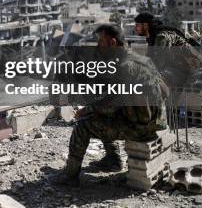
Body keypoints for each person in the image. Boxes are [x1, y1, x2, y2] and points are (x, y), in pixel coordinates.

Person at [53, 24, 167, 186]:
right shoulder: (140, 59)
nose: (98, 47)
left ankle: (70, 177)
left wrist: (85, 110)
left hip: (142, 127)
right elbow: (165, 91)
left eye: (100, 43)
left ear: (113, 43)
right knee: (103, 114)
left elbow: (110, 106)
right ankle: (112, 160)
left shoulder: (123, 67)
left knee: (83, 125)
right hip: (155, 121)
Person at [134, 12, 202, 86]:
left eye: (137, 25)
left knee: (158, 81)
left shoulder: (161, 37)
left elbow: (159, 61)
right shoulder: (152, 37)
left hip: (188, 70)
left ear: (145, 25)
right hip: (177, 68)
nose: (135, 28)